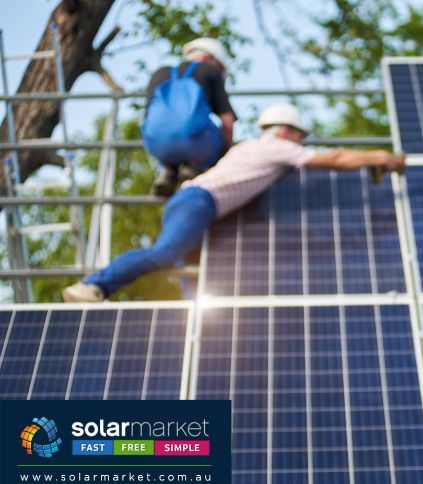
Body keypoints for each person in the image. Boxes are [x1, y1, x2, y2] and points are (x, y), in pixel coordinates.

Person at [62, 103, 405, 302]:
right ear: (285, 130)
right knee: (164, 254)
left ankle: (192, 329)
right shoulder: (274, 146)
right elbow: (335, 159)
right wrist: (378, 156)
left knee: (195, 279)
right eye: (300, 135)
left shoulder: (252, 149)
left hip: (196, 204)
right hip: (199, 203)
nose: (301, 142)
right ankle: (95, 285)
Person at [142, 37, 237, 196]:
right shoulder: (210, 71)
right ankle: (194, 166)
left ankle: (167, 170)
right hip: (197, 144)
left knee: (166, 131)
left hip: (157, 146)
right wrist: (225, 157)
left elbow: (148, 120)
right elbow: (227, 121)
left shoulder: (160, 73)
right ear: (212, 60)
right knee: (212, 132)